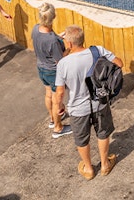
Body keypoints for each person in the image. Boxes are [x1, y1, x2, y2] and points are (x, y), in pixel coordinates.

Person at [52, 25, 123, 179]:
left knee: (82, 139)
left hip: (78, 108)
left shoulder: (63, 64)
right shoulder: (97, 51)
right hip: (100, 102)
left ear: (69, 44)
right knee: (103, 133)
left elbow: (60, 92)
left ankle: (89, 169)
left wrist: (59, 107)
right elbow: (119, 63)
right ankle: (105, 165)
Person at [31, 3, 68, 133]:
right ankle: (58, 128)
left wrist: (58, 37)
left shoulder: (35, 29)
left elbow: (46, 38)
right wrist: (68, 49)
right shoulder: (52, 41)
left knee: (48, 94)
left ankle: (52, 119)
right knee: (57, 99)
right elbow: (60, 60)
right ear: (54, 16)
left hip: (41, 67)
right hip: (53, 71)